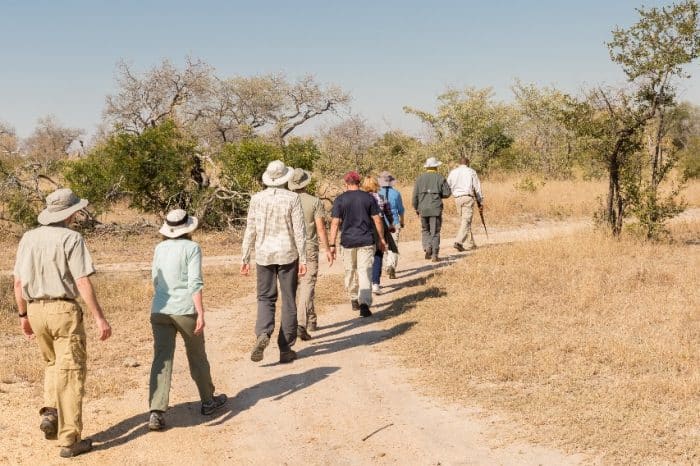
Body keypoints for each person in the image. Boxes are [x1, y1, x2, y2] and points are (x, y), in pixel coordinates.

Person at [13, 188, 112, 458]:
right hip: (63, 310)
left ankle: (50, 412)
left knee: (52, 364)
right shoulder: (72, 238)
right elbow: (81, 281)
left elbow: (19, 282)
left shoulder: (29, 238)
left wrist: (23, 315)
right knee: (70, 372)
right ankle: (70, 439)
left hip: (35, 310)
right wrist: (99, 317)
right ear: (71, 213)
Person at [147, 209, 227, 431]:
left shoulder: (159, 248)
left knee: (161, 359)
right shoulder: (192, 248)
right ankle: (208, 401)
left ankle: (156, 410)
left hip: (160, 309)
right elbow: (195, 282)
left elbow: (155, 279)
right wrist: (200, 312)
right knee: (197, 355)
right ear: (188, 229)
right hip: (184, 309)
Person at [241, 160, 307, 364]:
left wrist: (245, 257)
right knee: (288, 299)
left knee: (265, 297)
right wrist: (303, 258)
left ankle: (263, 332)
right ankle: (285, 347)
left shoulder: (257, 199)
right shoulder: (293, 198)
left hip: (264, 255)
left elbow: (250, 229)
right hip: (288, 253)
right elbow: (299, 231)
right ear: (285, 178)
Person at [328, 171, 387, 317]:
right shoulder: (368, 198)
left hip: (347, 241)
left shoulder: (340, 199)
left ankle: (354, 298)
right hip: (366, 240)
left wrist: (332, 245)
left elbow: (335, 223)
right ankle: (364, 303)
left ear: (346, 183)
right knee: (364, 271)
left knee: (350, 270)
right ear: (359, 183)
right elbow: (377, 219)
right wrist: (381, 239)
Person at [287, 168, 333, 339]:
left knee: (299, 285)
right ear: (306, 183)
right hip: (309, 247)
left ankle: (311, 320)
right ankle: (301, 322)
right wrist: (327, 248)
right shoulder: (314, 201)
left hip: (290, 248)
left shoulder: (287, 200)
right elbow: (320, 228)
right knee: (307, 284)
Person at [412, 157, 452, 262]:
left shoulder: (419, 179)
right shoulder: (440, 178)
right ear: (436, 167)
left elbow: (414, 197)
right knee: (435, 232)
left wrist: (416, 208)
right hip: (435, 208)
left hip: (423, 209)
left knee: (425, 230)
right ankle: (434, 254)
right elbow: (447, 193)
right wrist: (438, 195)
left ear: (427, 167)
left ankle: (427, 247)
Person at [361, 175, 393, 295]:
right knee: (378, 255)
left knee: (365, 257)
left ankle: (366, 283)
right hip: (379, 227)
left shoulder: (362, 198)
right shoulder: (381, 197)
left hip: (365, 228)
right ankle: (375, 283)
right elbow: (388, 212)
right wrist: (391, 224)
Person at [447, 157, 484, 251]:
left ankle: (471, 244)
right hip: (468, 197)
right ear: (468, 163)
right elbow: (477, 187)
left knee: (465, 221)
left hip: (457, 199)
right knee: (466, 221)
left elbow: (448, 186)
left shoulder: (453, 172)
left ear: (459, 163)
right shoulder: (471, 171)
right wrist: (480, 200)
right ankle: (458, 242)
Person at [378, 171, 405, 279]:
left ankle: (387, 266)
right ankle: (391, 265)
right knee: (394, 246)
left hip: (381, 223)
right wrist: (402, 221)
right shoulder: (396, 193)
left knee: (383, 245)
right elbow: (401, 210)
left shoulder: (378, 193)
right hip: (394, 222)